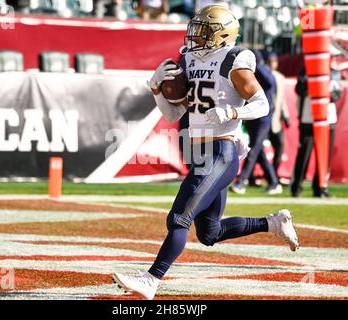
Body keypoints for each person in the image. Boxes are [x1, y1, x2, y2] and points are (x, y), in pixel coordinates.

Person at [112, 5, 299, 300]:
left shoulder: (234, 59)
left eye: (204, 29)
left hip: (221, 152)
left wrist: (233, 110)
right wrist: (156, 90)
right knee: (209, 233)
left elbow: (261, 103)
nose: (196, 35)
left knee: (179, 219)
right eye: (196, 28)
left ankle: (151, 280)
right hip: (202, 152)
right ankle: (273, 223)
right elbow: (175, 115)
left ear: (222, 33)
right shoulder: (189, 58)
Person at [230, 50, 282, 195]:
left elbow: (269, 82)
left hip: (263, 119)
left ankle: (241, 182)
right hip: (253, 118)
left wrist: (255, 66)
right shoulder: (255, 73)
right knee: (258, 152)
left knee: (253, 150)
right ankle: (273, 182)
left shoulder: (264, 71)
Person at [290, 60, 342, 198]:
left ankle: (320, 187)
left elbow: (338, 93)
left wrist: (325, 93)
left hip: (328, 120)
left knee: (325, 156)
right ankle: (296, 187)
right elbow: (299, 89)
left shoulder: (334, 71)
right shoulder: (307, 68)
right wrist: (314, 86)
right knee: (304, 155)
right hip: (309, 119)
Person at [267, 52, 290, 180]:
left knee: (280, 146)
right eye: (270, 62)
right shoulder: (262, 76)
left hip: (276, 120)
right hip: (264, 118)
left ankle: (273, 173)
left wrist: (286, 115)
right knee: (257, 149)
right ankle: (251, 176)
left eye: (274, 62)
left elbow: (282, 100)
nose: (272, 64)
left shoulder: (280, 77)